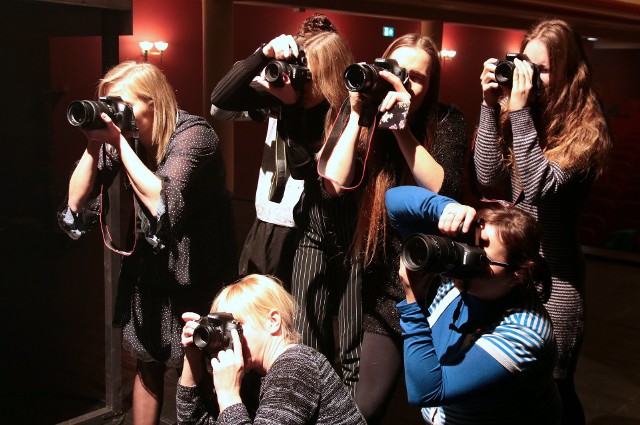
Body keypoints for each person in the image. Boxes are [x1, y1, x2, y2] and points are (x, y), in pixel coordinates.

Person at [58, 61, 237, 425]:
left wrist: (118, 144)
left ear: (153, 103)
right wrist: (94, 146)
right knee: (147, 360)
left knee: (199, 365)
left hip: (198, 268)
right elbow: (76, 205)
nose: (113, 115)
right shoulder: (123, 139)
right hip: (151, 265)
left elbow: (162, 200)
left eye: (121, 106)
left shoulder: (195, 134)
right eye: (107, 104)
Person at [320, 33, 466, 422]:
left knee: (431, 403)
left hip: (433, 278)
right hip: (379, 279)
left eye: (417, 77)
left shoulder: (446, 120)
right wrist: (356, 114)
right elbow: (332, 183)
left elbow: (444, 187)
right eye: (398, 71)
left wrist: (400, 126)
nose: (407, 83)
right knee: (368, 403)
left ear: (431, 87)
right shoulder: (366, 118)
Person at [473, 18, 612, 424]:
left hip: (557, 283)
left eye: (542, 69)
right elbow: (486, 177)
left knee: (553, 389)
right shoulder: (523, 114)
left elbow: (536, 187)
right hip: (513, 270)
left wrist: (517, 114)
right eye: (524, 64)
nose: (529, 77)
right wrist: (488, 106)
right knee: (508, 385)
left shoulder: (588, 129)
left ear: (568, 71)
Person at [386, 185, 561, 425]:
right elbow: (393, 200)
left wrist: (414, 303)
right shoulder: (458, 278)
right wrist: (447, 208)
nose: (465, 256)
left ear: (516, 275)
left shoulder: (524, 333)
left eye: (481, 255)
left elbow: (427, 392)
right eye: (469, 244)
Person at [210, 13, 339, 291]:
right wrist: (264, 54)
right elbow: (220, 101)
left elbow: (304, 168)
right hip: (266, 219)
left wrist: (291, 107)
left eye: (311, 70)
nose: (302, 77)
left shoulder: (336, 111)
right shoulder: (282, 96)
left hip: (308, 231)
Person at [176, 274, 367, 425]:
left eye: (235, 326)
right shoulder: (254, 377)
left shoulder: (296, 366)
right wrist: (192, 358)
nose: (228, 339)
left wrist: (228, 395)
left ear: (273, 321)